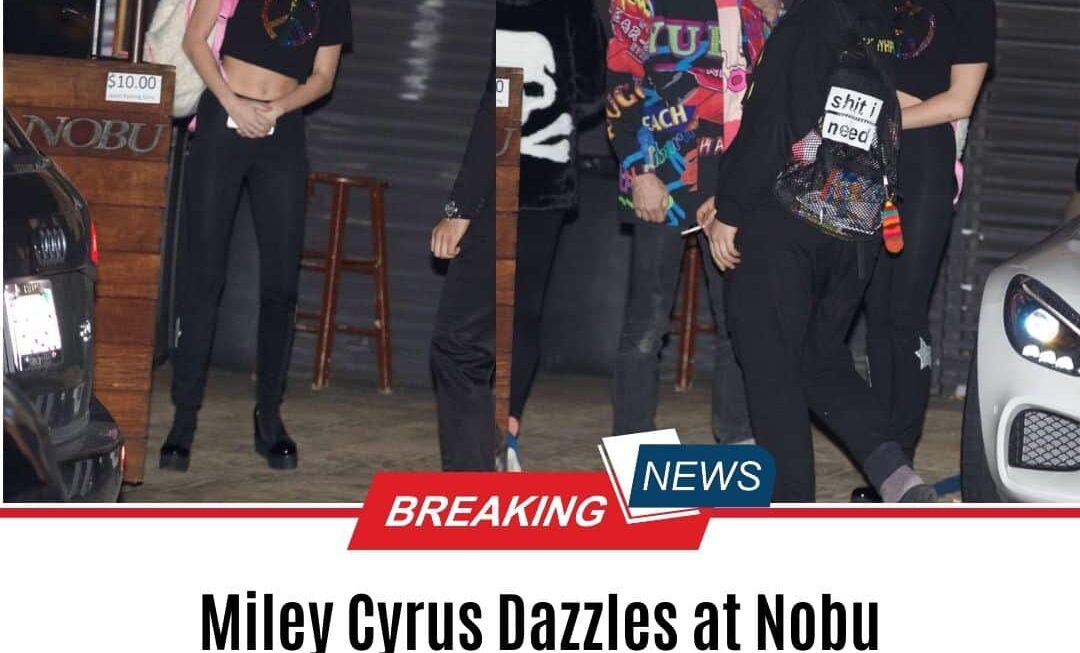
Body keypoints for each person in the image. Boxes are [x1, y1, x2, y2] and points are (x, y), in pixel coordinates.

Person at [698, 0, 938, 502]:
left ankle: (791, 512)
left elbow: (772, 123)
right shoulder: (876, 27)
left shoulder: (808, 24)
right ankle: (900, 480)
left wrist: (731, 208)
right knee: (819, 361)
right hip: (854, 228)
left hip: (786, 223)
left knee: (772, 367)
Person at [160, 0, 352, 472]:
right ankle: (184, 418)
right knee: (204, 275)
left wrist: (277, 109)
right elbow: (195, 40)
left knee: (282, 282)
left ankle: (269, 415)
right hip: (224, 117)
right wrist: (232, 103)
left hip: (282, 130)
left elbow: (324, 76)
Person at [606, 0, 783, 444]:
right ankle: (633, 447)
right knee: (646, 326)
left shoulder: (747, 7)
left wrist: (772, 18)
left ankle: (737, 441)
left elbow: (765, 101)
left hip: (731, 188)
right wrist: (639, 171)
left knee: (739, 322)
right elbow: (620, 86)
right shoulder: (640, 3)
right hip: (659, 180)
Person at [854, 0, 995, 501]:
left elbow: (959, 102)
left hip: (922, 156)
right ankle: (884, 466)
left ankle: (901, 457)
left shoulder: (971, 7)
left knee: (904, 312)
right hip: (863, 153)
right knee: (874, 310)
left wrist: (882, 119)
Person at [495, 0, 607, 470]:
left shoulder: (574, 9)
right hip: (484, 175)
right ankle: (476, 422)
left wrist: (547, 112)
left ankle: (506, 431)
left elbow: (594, 89)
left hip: (544, 178)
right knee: (479, 307)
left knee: (522, 308)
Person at [429, 69, 498, 472]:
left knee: (460, 347)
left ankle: (471, 493)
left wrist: (460, 209)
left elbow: (497, 106)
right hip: (553, 183)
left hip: (512, 188)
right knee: (506, 339)